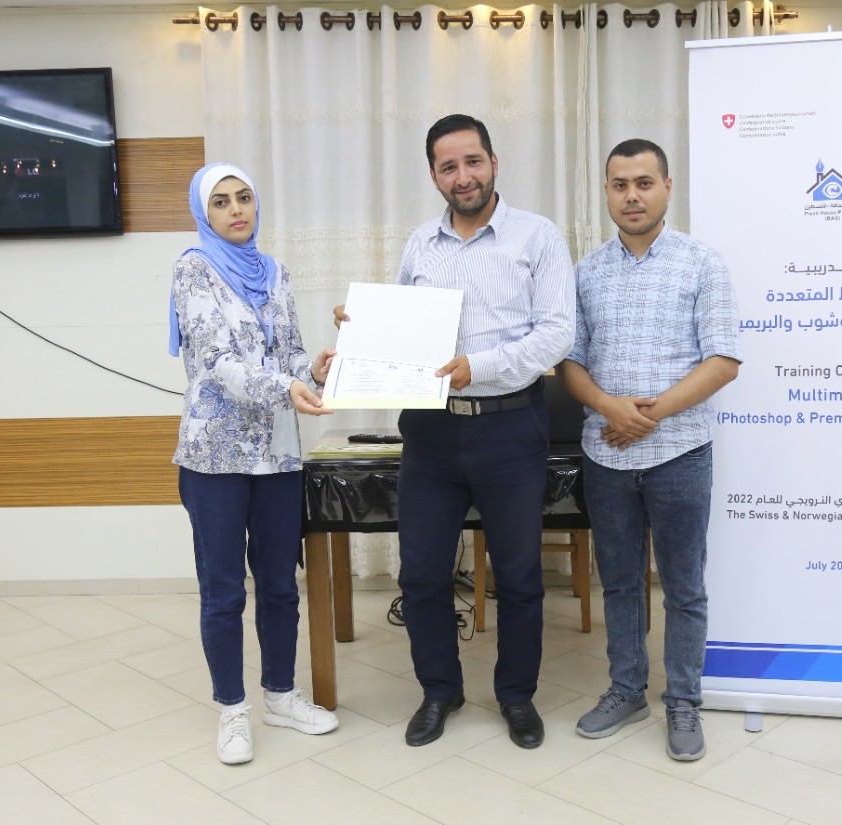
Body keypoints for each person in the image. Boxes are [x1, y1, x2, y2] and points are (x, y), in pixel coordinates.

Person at [334, 115, 575, 749]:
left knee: (519, 577)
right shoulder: (421, 244)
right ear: (434, 176)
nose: (462, 176)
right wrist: (360, 334)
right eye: (448, 167)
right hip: (431, 433)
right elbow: (403, 335)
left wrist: (480, 367)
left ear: (494, 163)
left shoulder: (537, 237)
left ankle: (516, 696)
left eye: (472, 162)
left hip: (510, 426)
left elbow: (558, 332)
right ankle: (440, 690)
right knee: (421, 575)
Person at [558, 139, 741, 761]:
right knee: (619, 583)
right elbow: (571, 362)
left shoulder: (702, 263)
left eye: (643, 183)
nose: (631, 196)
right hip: (606, 456)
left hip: (680, 453)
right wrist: (608, 408)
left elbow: (723, 361)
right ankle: (626, 689)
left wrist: (645, 416)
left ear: (667, 187)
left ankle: (683, 700)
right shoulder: (586, 271)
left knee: (684, 586)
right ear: (607, 192)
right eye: (619, 185)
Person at [170, 162, 340, 765]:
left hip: (278, 454)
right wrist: (286, 387)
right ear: (203, 212)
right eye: (220, 202)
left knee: (279, 584)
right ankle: (232, 708)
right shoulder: (194, 268)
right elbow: (217, 362)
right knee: (222, 590)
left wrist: (314, 369)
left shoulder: (275, 273)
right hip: (214, 457)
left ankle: (281, 696)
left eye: (244, 198)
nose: (236, 209)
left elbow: (288, 353)